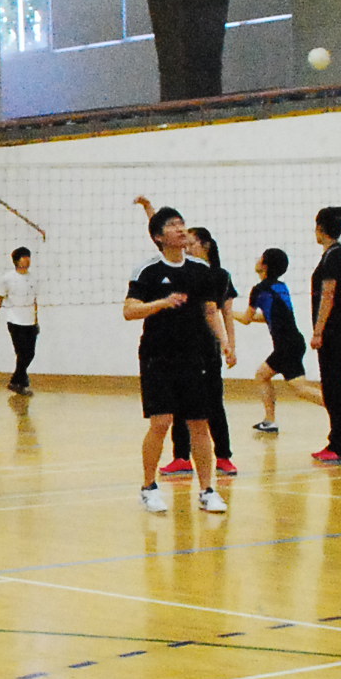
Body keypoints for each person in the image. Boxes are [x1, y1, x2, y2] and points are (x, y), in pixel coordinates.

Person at [125, 203, 232, 515]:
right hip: (157, 356)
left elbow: (210, 311)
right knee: (161, 423)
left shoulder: (200, 270)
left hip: (193, 356)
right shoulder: (148, 271)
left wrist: (225, 342)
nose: (181, 229)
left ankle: (207, 490)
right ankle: (148, 487)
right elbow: (129, 310)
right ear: (159, 237)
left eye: (182, 223)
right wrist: (161, 303)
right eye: (172, 225)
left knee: (199, 423)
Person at [143, 209, 237, 479]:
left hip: (206, 350)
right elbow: (159, 234)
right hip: (180, 351)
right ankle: (181, 457)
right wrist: (148, 208)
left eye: (191, 238)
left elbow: (220, 312)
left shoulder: (215, 274)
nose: (183, 236)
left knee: (209, 408)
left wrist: (228, 343)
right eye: (177, 227)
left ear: (204, 246)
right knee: (176, 410)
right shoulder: (171, 267)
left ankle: (223, 457)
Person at [295, 206, 341, 464]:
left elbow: (328, 295)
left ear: (320, 229)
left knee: (335, 387)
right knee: (332, 387)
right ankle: (337, 442)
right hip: (337, 331)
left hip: (334, 332)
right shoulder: (334, 255)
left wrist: (318, 331)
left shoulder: (334, 257)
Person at [242, 248, 307, 435]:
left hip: (286, 346)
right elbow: (270, 317)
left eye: (260, 258)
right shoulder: (281, 287)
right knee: (264, 376)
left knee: (299, 388)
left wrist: (226, 313)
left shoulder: (259, 290)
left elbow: (246, 319)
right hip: (294, 342)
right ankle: (269, 421)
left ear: (265, 265)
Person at [0, 247, 40, 394]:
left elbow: (34, 301)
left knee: (30, 354)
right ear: (17, 260)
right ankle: (20, 383)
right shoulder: (7, 279)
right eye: (24, 257)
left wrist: (36, 320)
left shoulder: (33, 278)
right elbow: (0, 298)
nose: (27, 260)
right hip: (15, 321)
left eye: (28, 256)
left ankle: (16, 381)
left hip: (30, 321)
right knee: (22, 353)